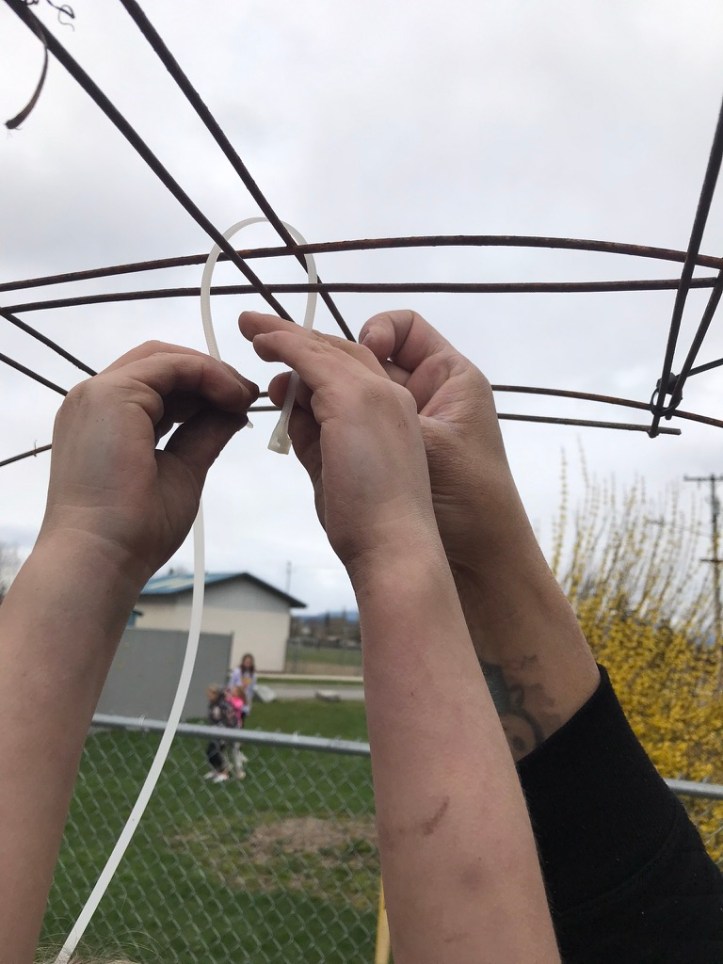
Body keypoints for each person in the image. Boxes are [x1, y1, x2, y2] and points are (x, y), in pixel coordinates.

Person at [204, 683, 236, 783]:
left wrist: (224, 729)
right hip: (215, 731)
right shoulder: (212, 704)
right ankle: (217, 770)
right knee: (210, 753)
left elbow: (230, 720)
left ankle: (224, 772)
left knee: (216, 751)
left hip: (224, 732)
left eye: (210, 694)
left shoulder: (223, 705)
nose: (208, 696)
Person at [230, 652, 257, 721]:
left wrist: (249, 701)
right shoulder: (237, 671)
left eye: (249, 662)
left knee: (242, 715)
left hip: (246, 697)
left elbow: (252, 688)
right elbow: (231, 683)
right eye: (246, 662)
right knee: (234, 714)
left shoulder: (252, 674)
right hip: (236, 696)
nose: (248, 664)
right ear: (243, 662)